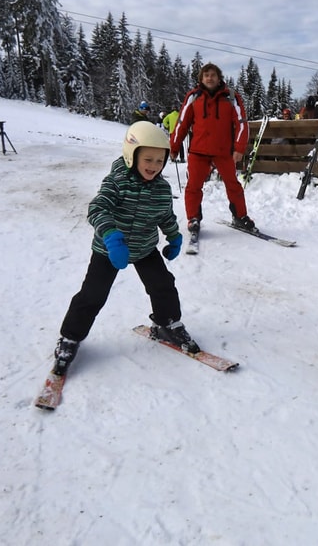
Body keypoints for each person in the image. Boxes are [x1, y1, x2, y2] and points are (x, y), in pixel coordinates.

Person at [50, 121, 197, 377]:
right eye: (148, 159)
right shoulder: (117, 181)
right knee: (92, 295)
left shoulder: (162, 189)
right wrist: (111, 236)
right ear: (132, 156)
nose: (154, 166)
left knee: (163, 285)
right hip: (109, 249)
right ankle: (69, 338)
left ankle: (167, 323)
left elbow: (165, 215)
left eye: (159, 161)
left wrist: (174, 237)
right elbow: (97, 208)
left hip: (144, 247)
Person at [170, 63, 255, 235]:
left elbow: (241, 124)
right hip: (198, 152)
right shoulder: (193, 97)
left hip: (224, 152)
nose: (210, 78)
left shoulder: (232, 97)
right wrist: (174, 145)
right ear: (201, 78)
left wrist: (239, 148)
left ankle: (240, 216)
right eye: (206, 75)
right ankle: (193, 219)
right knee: (193, 186)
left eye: (213, 75)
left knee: (233, 185)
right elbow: (182, 123)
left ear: (219, 78)